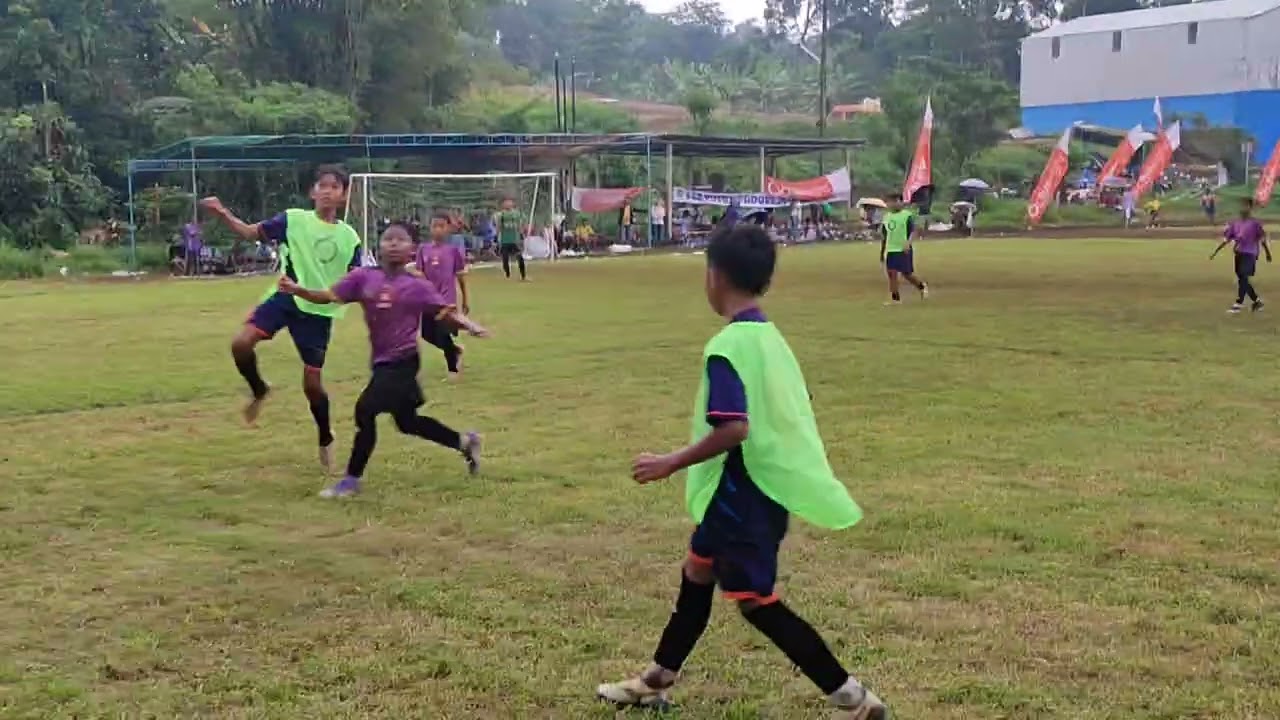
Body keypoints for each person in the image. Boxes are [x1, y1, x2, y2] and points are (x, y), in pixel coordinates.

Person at [596, 224, 887, 720]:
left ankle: (852, 699)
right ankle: (656, 680)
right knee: (697, 570)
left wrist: (670, 461)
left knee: (756, 601)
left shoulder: (728, 346)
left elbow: (734, 428)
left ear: (714, 276)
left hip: (744, 494)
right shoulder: (771, 338)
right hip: (759, 488)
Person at [279, 223, 488, 498]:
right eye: (388, 239)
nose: (392, 244)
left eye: (400, 240)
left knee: (365, 411)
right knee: (407, 423)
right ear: (379, 246)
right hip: (381, 361)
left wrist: (469, 325)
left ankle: (351, 481)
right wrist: (297, 290)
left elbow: (444, 312)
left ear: (412, 250)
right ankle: (465, 442)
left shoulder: (416, 285)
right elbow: (328, 296)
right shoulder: (363, 278)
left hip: (403, 361)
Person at [201, 165, 362, 471]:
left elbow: (354, 281)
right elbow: (251, 232)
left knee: (312, 386)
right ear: (313, 192)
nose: (327, 191)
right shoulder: (293, 220)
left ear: (343, 195)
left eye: (335, 186)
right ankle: (259, 389)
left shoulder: (349, 237)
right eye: (322, 185)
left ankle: (325, 436)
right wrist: (222, 213)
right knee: (241, 344)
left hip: (317, 311)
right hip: (286, 299)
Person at [413, 211, 470, 381]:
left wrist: (466, 299)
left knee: (442, 333)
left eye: (441, 226)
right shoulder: (423, 249)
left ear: (448, 229)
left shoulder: (453, 251)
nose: (437, 230)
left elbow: (460, 277)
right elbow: (418, 271)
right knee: (426, 334)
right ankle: (455, 350)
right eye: (434, 226)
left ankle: (452, 369)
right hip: (428, 300)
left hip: (446, 301)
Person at [1211, 197, 1271, 314]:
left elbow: (1262, 239)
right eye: (1242, 205)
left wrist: (1268, 253)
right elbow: (1227, 239)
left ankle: (1238, 304)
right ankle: (1257, 302)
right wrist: (1216, 251)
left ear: (1250, 208)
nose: (1243, 208)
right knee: (1242, 280)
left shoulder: (1255, 224)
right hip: (1238, 253)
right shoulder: (1235, 223)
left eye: (1246, 206)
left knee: (1243, 276)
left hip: (1250, 253)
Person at [880, 193, 929, 305]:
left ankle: (921, 286)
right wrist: (882, 251)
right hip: (891, 249)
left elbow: (913, 230)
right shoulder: (886, 217)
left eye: (896, 201)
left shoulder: (906, 215)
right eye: (890, 202)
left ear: (901, 202)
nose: (893, 204)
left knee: (907, 274)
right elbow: (885, 235)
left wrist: (908, 243)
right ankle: (895, 299)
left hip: (903, 249)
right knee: (892, 274)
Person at [496, 198, 526, 281]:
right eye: (506, 202)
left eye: (509, 202)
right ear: (503, 204)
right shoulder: (501, 215)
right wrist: (496, 236)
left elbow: (520, 224)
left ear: (512, 203)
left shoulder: (516, 214)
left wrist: (521, 234)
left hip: (514, 240)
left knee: (519, 257)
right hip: (505, 240)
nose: (508, 204)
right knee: (505, 259)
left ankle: (523, 276)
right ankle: (507, 274)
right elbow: (498, 226)